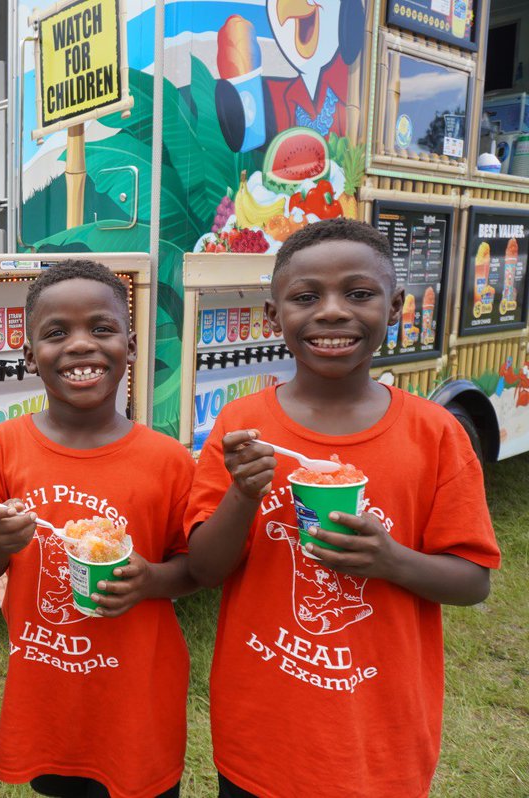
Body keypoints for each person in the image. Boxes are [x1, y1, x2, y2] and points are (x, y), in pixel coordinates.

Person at [184, 218, 501, 797]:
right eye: (306, 297)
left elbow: (472, 581)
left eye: (358, 293)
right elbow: (205, 568)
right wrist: (243, 494)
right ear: (273, 315)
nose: (332, 312)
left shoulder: (434, 434)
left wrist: (390, 559)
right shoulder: (242, 427)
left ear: (395, 306)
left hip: (379, 743)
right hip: (262, 737)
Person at [0, 260, 196, 798]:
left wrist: (151, 581)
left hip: (138, 700)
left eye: (101, 328)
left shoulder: (168, 460)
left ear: (131, 347)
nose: (81, 345)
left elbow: (198, 568)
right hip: (49, 695)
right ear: (29, 354)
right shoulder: (4, 447)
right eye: (57, 333)